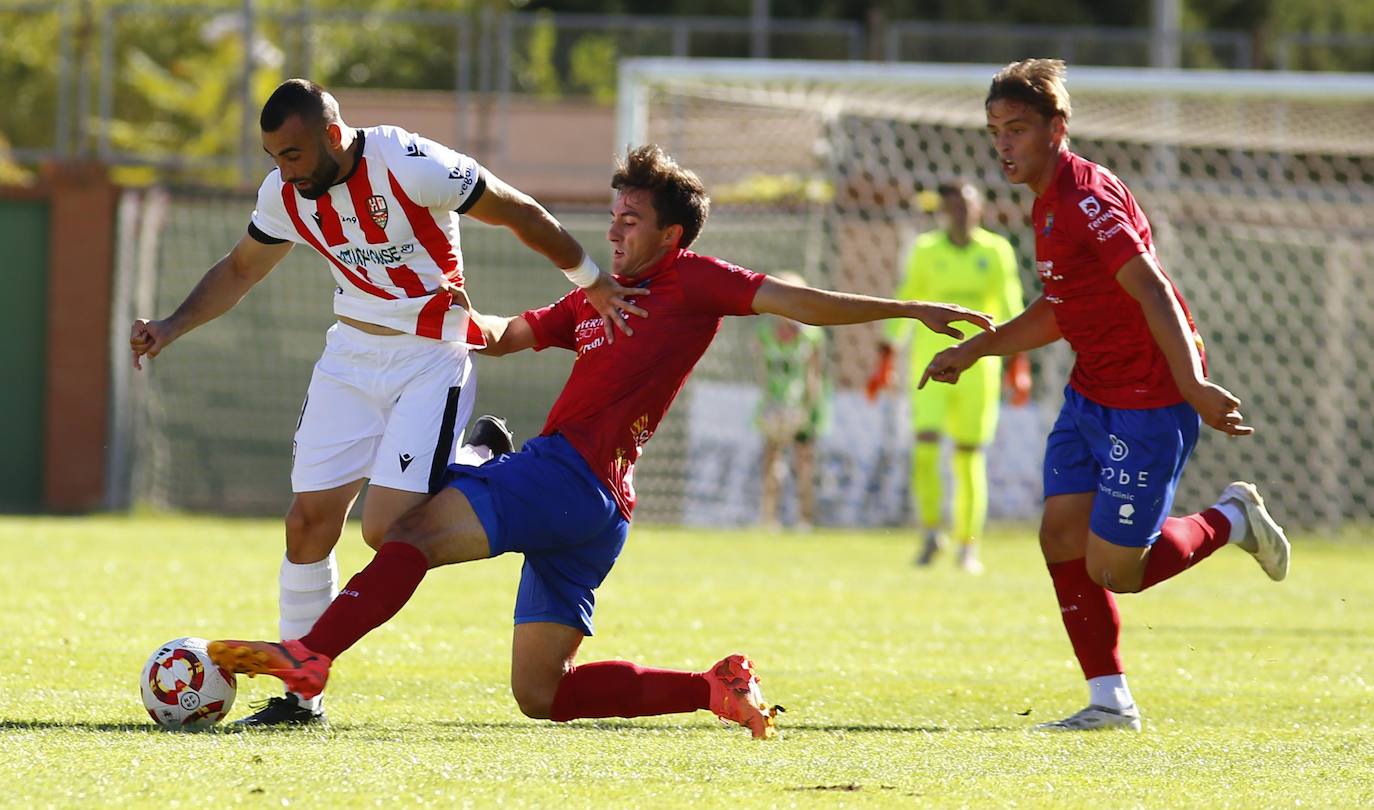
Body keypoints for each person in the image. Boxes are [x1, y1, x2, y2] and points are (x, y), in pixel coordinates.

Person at [205, 144, 993, 738]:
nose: (613, 231)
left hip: (567, 474)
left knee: (404, 531)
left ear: (671, 234)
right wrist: (435, 315)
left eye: (631, 220)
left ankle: (313, 656)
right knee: (542, 697)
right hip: (598, 509)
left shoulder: (696, 282)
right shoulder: (595, 298)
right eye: (612, 217)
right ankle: (713, 687)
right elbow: (511, 335)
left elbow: (805, 302)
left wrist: (909, 310)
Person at [129, 79, 644, 726]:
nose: (281, 170)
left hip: (431, 359)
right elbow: (239, 270)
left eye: (291, 154)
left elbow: (518, 211)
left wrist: (593, 282)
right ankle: (300, 699)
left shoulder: (410, 163)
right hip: (349, 359)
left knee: (385, 532)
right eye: (271, 157)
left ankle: (478, 455)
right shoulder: (285, 195)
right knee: (307, 524)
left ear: (333, 136)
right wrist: (170, 327)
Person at [921, 59, 1291, 731]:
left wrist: (1193, 385)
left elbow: (1149, 286)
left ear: (1057, 128)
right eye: (995, 131)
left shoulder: (1084, 194)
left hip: (1149, 396)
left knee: (1118, 571)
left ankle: (1230, 520)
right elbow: (1060, 309)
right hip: (1092, 389)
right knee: (1059, 534)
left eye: (1019, 129)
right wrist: (974, 350)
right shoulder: (1044, 200)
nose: (1004, 144)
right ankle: (1109, 701)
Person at [867, 181, 1030, 573]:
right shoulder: (925, 250)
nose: (961, 213)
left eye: (967, 206)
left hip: (980, 367)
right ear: (944, 211)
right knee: (924, 447)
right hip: (931, 364)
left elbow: (1012, 307)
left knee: (969, 456)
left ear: (979, 209)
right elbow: (907, 300)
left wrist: (1019, 365)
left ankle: (968, 547)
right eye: (953, 207)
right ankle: (929, 533)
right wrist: (887, 358)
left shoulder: (996, 251)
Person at [754, 273, 831, 530]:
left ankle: (804, 518)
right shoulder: (766, 334)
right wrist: (768, 405)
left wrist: (809, 409)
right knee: (772, 461)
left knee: (804, 463)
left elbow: (814, 376)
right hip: (776, 404)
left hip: (802, 406)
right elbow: (762, 373)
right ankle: (768, 516)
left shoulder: (810, 336)